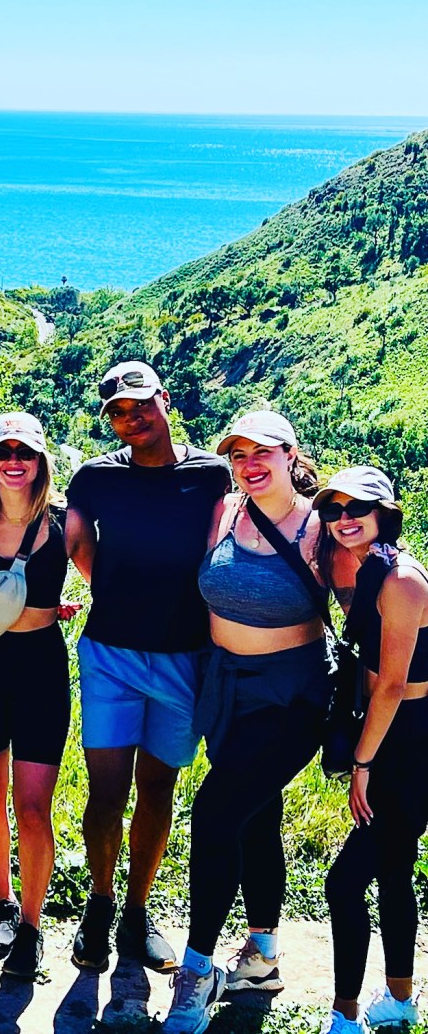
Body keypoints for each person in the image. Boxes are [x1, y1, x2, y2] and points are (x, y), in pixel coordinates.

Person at [164, 410, 335, 1033]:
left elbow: (367, 602)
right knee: (255, 817)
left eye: (263, 452)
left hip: (291, 700)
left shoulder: (320, 529)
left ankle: (198, 968)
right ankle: (262, 955)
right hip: (224, 690)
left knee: (213, 814)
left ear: (292, 455)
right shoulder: (225, 513)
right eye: (238, 455)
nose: (249, 465)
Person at [65, 362, 230, 974]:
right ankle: (100, 907)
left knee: (158, 788)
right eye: (117, 411)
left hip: (186, 655)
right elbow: (77, 543)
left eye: (140, 405)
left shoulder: (210, 474)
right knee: (106, 794)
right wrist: (107, 590)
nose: (130, 418)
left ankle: (137, 911)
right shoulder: (96, 476)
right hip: (111, 652)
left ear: (165, 399)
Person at [0, 412, 74, 979]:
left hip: (40, 666)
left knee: (32, 805)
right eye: (4, 452)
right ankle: (3, 902)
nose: (13, 462)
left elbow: (112, 577)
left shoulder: (66, 522)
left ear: (40, 461)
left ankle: (31, 925)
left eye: (24, 453)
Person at [314, 468, 428, 1034]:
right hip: (395, 732)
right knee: (392, 869)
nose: (343, 518)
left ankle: (345, 1015)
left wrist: (362, 763)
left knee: (344, 883)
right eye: (332, 510)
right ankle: (401, 1002)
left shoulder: (401, 581)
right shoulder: (369, 567)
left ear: (385, 511)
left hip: (406, 740)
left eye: (357, 506)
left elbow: (391, 684)